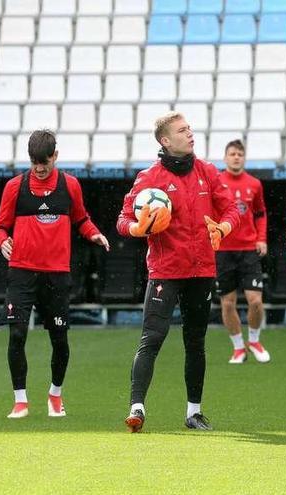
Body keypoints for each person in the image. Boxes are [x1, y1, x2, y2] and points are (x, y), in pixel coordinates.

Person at [117, 111, 239, 432]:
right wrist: (137, 228)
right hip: (165, 271)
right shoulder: (149, 179)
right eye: (182, 130)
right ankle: (137, 407)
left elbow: (230, 209)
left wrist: (223, 228)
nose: (190, 134)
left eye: (190, 128)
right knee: (152, 339)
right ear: (166, 140)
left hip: (201, 272)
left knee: (195, 342)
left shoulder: (208, 172)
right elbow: (123, 219)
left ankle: (194, 413)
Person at [0, 129, 110, 419]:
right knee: (17, 334)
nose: (39, 168)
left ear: (55, 156)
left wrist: (94, 234)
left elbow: (82, 219)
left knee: (59, 338)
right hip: (21, 272)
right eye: (34, 162)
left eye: (44, 161)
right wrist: (2, 241)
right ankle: (20, 400)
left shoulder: (70, 186)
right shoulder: (14, 187)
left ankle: (55, 396)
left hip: (56, 275)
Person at [215, 140, 270, 364]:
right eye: (232, 154)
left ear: (244, 158)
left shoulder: (254, 184)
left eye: (240, 154)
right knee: (227, 302)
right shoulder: (216, 182)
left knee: (255, 301)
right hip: (224, 250)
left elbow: (260, 213)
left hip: (248, 249)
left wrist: (262, 238)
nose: (236, 157)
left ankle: (254, 340)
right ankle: (238, 348)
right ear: (225, 157)